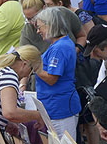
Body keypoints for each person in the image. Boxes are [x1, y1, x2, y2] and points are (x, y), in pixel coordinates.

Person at [33, 7, 83, 136]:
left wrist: (34, 66)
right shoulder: (57, 45)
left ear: (50, 25)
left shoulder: (60, 47)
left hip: (61, 108)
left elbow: (51, 78)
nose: (38, 31)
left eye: (40, 27)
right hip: (54, 107)